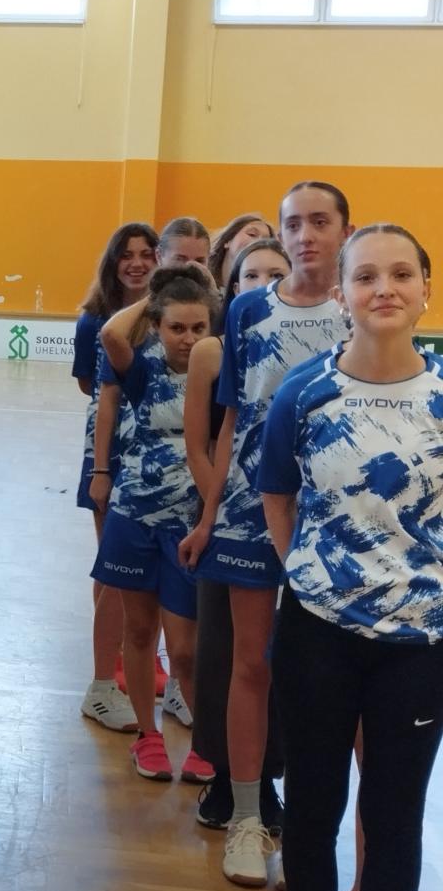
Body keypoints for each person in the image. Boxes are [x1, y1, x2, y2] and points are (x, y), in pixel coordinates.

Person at [260, 224, 443, 891]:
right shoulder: (304, 392)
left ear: (426, 290)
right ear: (341, 293)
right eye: (365, 276)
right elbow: (277, 494)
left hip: (420, 643)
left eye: (401, 274)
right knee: (311, 807)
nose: (384, 289)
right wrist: (312, 578)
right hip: (317, 635)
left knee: (395, 815)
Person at [179, 181, 352, 888]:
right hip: (248, 512)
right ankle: (247, 817)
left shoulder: (357, 309)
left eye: (320, 222)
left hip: (333, 521)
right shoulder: (250, 311)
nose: (306, 235)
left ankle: (311, 831)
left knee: (320, 676)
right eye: (294, 223)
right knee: (249, 662)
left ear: (344, 231)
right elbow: (233, 423)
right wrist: (209, 515)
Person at [94, 265, 218, 783]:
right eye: (176, 327)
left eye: (198, 328)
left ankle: (206, 741)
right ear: (159, 326)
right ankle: (148, 736)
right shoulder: (143, 368)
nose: (187, 338)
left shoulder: (217, 377)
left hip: (189, 524)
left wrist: (207, 293)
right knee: (140, 631)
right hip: (134, 516)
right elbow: (111, 334)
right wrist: (157, 293)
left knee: (186, 650)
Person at [184, 238, 291, 830]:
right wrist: (216, 511)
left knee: (276, 658)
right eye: (250, 274)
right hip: (227, 516)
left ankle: (268, 776)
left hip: (291, 523)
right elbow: (208, 440)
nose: (262, 283)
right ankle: (226, 776)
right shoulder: (215, 350)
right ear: (231, 285)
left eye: (276, 272)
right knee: (223, 654)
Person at [76, 223, 158, 732]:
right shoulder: (95, 319)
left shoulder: (174, 317)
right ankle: (107, 673)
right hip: (109, 450)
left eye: (147, 253)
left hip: (159, 458)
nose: (137, 263)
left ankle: (139, 655)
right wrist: (103, 465)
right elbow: (90, 384)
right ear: (113, 261)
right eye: (127, 254)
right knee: (113, 564)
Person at [208, 214, 274, 288]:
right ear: (228, 240)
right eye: (252, 234)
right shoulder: (203, 283)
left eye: (266, 240)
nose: (259, 242)